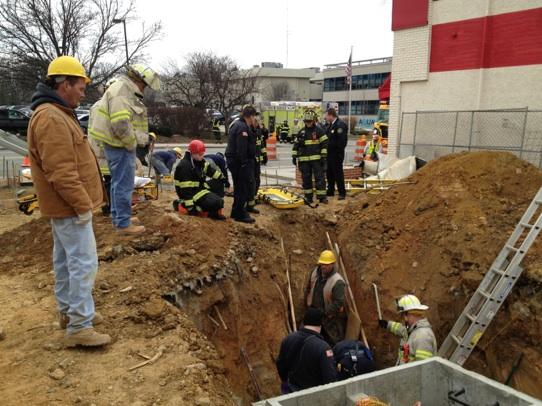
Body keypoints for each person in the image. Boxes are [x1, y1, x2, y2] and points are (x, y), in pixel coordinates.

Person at [27, 56, 110, 347]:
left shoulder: (58, 113)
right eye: (81, 86)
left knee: (64, 261)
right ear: (65, 85)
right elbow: (61, 171)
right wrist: (82, 205)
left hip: (64, 207)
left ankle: (69, 312)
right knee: (83, 263)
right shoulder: (51, 117)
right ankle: (80, 325)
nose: (83, 92)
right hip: (69, 206)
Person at [88, 64, 160, 235]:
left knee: (117, 183)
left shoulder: (122, 89)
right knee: (124, 184)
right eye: (145, 85)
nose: (144, 89)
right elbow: (120, 124)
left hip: (116, 143)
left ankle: (119, 217)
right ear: (139, 80)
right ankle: (123, 224)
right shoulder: (122, 92)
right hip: (119, 144)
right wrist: (131, 143)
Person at [276, 307, 337, 393]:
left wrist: (285, 382)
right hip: (314, 396)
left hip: (292, 392)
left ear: (304, 322)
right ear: (320, 325)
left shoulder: (287, 339)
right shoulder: (323, 347)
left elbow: (280, 365)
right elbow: (330, 378)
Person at [174, 140, 226, 220]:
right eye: (200, 154)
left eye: (203, 153)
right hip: (191, 193)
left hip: (199, 188)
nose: (202, 156)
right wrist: (191, 208)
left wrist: (222, 178)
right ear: (192, 153)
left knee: (219, 184)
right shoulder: (185, 166)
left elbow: (210, 171)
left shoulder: (199, 161)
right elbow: (186, 190)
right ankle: (183, 204)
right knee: (217, 202)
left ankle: (210, 208)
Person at [378, 294, 437, 365]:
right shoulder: (412, 330)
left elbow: (424, 370)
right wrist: (387, 324)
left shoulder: (423, 337)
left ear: (406, 315)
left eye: (402, 315)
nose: (402, 319)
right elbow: (401, 330)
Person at [305, 250, 346, 345]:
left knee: (332, 342)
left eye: (326, 264)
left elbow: (338, 302)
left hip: (329, 317)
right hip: (313, 312)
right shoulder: (314, 273)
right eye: (322, 264)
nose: (323, 266)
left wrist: (324, 312)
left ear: (333, 264)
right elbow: (308, 288)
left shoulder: (338, 281)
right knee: (308, 339)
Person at [225, 105, 257, 223]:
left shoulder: (239, 124)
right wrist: (244, 164)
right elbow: (241, 148)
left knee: (239, 187)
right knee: (242, 188)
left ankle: (236, 211)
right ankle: (240, 214)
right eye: (254, 116)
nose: (254, 119)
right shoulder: (242, 128)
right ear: (250, 116)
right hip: (239, 163)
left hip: (236, 161)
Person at [293, 110, 328, 204]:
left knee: (320, 178)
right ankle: (308, 197)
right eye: (306, 121)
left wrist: (323, 156)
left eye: (309, 121)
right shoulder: (301, 132)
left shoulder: (319, 131)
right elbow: (295, 146)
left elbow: (325, 143)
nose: (308, 123)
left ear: (313, 120)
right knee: (306, 179)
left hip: (317, 160)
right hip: (304, 161)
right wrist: (294, 156)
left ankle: (322, 197)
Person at [324, 108, 348, 200]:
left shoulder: (340, 125)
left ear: (330, 115)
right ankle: (330, 190)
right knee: (329, 173)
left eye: (326, 115)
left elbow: (341, 142)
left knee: (338, 173)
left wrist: (335, 151)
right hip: (329, 155)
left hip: (336, 155)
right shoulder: (331, 126)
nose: (325, 117)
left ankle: (342, 192)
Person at [247, 114, 267, 212]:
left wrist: (264, 154)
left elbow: (261, 144)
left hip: (257, 160)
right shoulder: (248, 130)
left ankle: (254, 198)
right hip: (251, 160)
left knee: (257, 179)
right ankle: (249, 201)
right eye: (256, 122)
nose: (258, 124)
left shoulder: (258, 131)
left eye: (259, 122)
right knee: (251, 181)